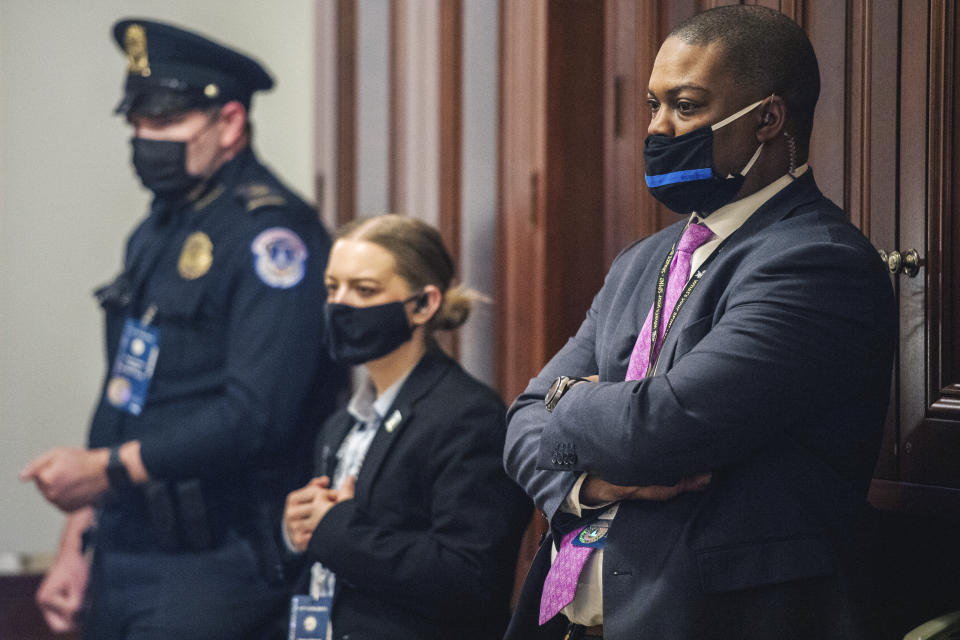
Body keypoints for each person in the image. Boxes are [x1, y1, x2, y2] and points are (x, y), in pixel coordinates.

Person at [503, 6, 898, 640]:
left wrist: (568, 401)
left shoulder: (816, 261)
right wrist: (593, 483)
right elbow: (522, 420)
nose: (658, 128)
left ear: (768, 118)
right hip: (577, 619)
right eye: (653, 106)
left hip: (716, 619)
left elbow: (660, 430)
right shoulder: (643, 260)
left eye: (685, 107)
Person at [20, 18, 340, 639]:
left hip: (219, 560)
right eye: (138, 124)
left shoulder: (272, 240)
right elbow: (126, 389)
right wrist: (79, 532)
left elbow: (256, 415)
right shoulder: (158, 229)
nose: (146, 139)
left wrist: (104, 469)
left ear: (230, 124)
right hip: (124, 549)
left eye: (166, 123)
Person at [282, 214, 532, 640]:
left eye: (364, 290)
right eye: (332, 287)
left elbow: (470, 578)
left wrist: (335, 529)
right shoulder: (341, 423)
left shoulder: (468, 418)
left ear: (423, 304)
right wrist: (298, 532)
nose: (340, 304)